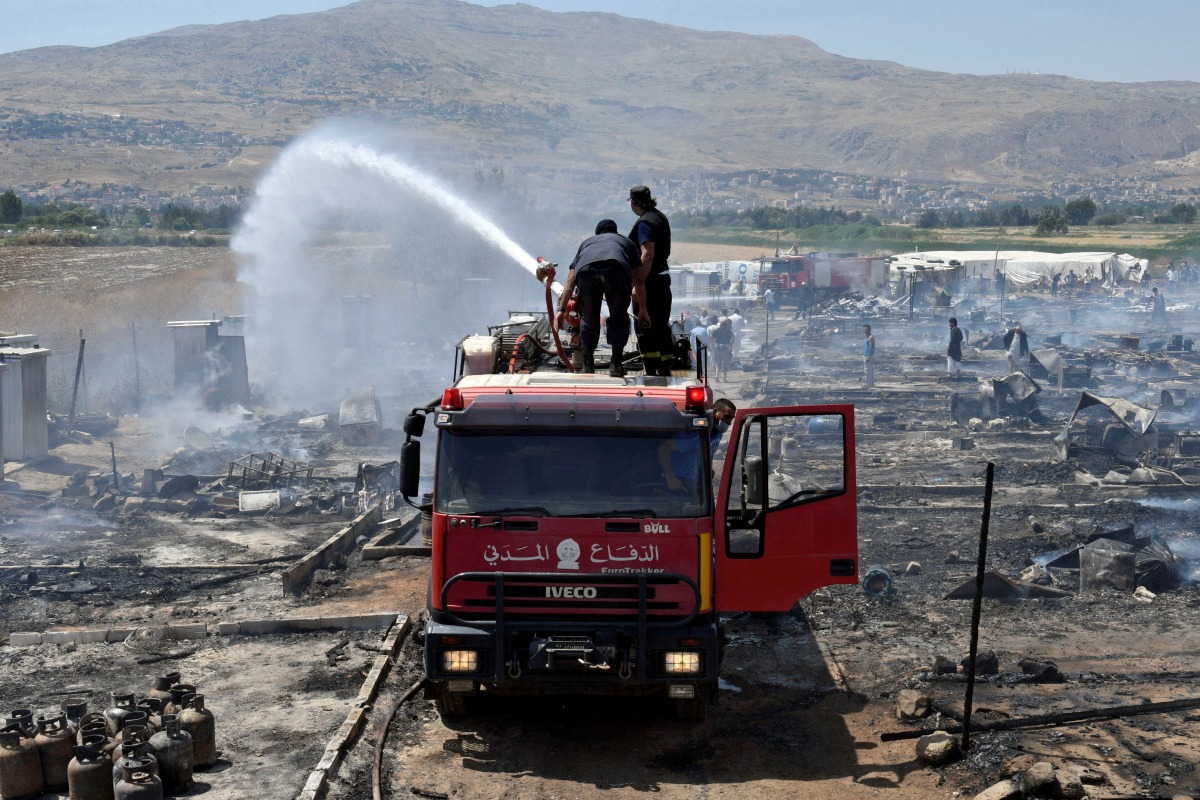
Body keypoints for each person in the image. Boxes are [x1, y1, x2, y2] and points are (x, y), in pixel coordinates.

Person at [558, 218, 644, 376]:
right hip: (616, 268)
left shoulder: (587, 243)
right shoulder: (626, 242)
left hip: (586, 270)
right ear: (615, 232)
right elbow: (639, 279)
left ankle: (588, 365)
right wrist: (643, 310)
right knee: (618, 317)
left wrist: (561, 310)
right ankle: (616, 365)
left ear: (598, 234)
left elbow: (571, 279)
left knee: (588, 318)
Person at [627, 185, 673, 377]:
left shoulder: (645, 223)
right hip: (663, 278)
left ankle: (652, 369)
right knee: (662, 325)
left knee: (646, 325)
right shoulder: (660, 217)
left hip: (650, 282)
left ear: (634, 202)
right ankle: (664, 367)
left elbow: (647, 254)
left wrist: (639, 284)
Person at [659, 398, 737, 490]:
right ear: (715, 412)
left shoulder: (717, 435)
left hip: (694, 480)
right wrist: (670, 477)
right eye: (727, 416)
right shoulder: (696, 434)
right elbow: (664, 448)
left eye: (732, 418)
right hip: (678, 479)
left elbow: (708, 452)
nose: (729, 422)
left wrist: (709, 469)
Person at [711, 317, 734, 382]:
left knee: (718, 363)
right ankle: (724, 378)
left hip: (718, 348)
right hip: (726, 349)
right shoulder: (728, 330)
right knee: (725, 364)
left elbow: (712, 339)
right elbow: (732, 338)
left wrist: (713, 347)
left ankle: (716, 375)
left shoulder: (716, 331)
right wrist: (731, 347)